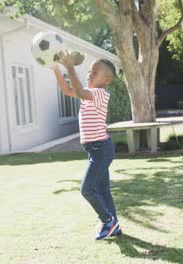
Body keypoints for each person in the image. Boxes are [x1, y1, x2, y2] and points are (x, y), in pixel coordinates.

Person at [52, 50, 121, 240]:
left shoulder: (100, 94)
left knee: (87, 189)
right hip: (95, 150)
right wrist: (55, 68)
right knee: (103, 190)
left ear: (106, 80)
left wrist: (70, 67)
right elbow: (67, 90)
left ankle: (108, 220)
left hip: (101, 149)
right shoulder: (89, 94)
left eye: (95, 72)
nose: (89, 74)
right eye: (89, 70)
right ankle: (114, 224)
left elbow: (80, 91)